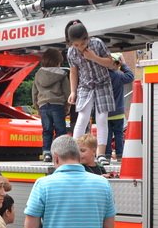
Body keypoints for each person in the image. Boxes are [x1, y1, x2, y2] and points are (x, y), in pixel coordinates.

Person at [66, 20, 116, 168]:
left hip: (103, 84)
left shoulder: (97, 43)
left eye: (82, 43)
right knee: (82, 117)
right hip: (85, 86)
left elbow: (112, 63)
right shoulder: (71, 52)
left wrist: (94, 57)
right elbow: (73, 72)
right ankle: (74, 152)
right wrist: (73, 91)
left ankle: (101, 154)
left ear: (87, 38)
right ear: (71, 43)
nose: (80, 47)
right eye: (76, 45)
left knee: (102, 118)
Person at [32, 48, 70, 162]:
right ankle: (60, 153)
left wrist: (36, 106)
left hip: (43, 105)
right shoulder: (62, 74)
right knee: (60, 130)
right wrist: (68, 105)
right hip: (57, 105)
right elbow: (67, 91)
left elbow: (34, 92)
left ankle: (46, 153)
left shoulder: (38, 74)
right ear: (58, 61)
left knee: (47, 130)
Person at [104, 52, 135, 161]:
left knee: (106, 135)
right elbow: (131, 76)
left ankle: (106, 156)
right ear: (117, 64)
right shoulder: (119, 75)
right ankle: (120, 155)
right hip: (118, 112)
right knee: (118, 134)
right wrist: (124, 64)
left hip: (105, 111)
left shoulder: (103, 76)